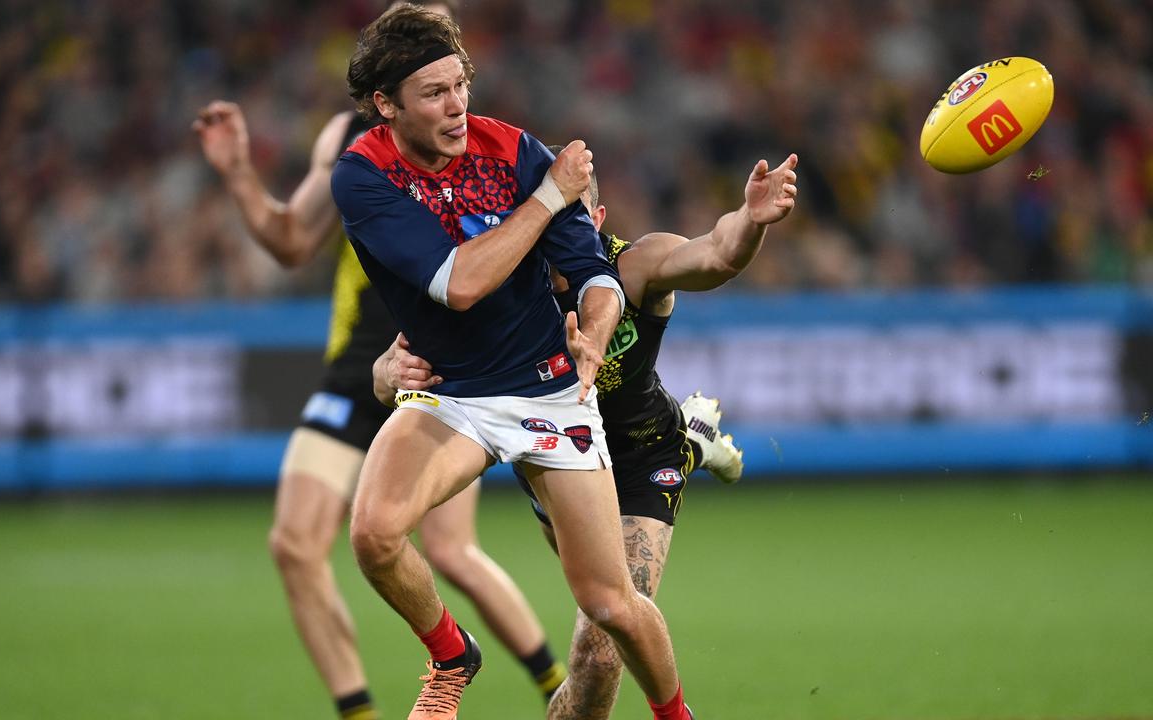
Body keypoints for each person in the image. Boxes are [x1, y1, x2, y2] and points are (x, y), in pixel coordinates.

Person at [191, 4, 565, 719]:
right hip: (360, 366)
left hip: (444, 369)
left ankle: (554, 687)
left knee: (452, 553)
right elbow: (294, 241)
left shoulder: (481, 145)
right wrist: (238, 172)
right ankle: (360, 711)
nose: (448, 91)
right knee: (295, 544)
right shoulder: (353, 147)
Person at [331, 6, 700, 719]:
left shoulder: (513, 150)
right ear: (386, 105)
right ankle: (450, 653)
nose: (457, 104)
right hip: (455, 395)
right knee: (374, 533)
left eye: (460, 83)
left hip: (548, 393)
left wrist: (594, 330)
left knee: (611, 606)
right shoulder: (364, 176)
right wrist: (550, 195)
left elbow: (593, 272)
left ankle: (675, 716)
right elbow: (459, 283)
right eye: (433, 93)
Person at [376, 147, 800, 719]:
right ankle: (698, 439)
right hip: (558, 463)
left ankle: (685, 444)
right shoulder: (495, 291)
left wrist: (750, 221)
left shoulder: (635, 266)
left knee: (598, 655)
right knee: (594, 656)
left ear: (594, 223)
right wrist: (386, 374)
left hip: (639, 461)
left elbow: (717, 253)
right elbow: (395, 377)